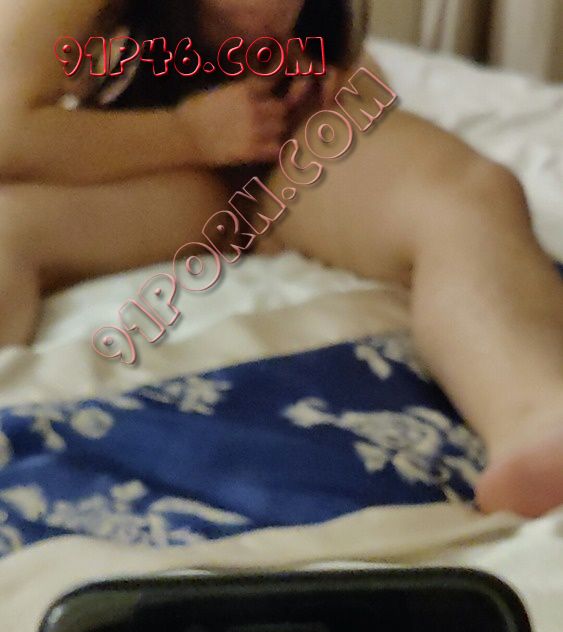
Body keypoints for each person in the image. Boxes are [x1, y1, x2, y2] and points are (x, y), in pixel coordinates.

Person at [0, 0, 562, 519]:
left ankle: (537, 421)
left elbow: (361, 76)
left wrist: (337, 90)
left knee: (469, 196)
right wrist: (187, 134)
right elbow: (8, 131)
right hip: (135, 169)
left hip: (275, 160)